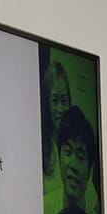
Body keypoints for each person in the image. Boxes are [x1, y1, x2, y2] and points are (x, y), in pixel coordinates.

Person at [43, 105, 101, 214]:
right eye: (68, 152)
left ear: (90, 167)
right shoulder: (44, 210)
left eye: (81, 157)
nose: (73, 165)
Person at [41, 60, 71, 196]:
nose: (60, 109)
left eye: (64, 101)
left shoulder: (75, 146)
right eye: (54, 101)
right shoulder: (41, 149)